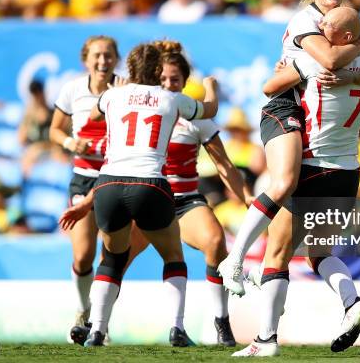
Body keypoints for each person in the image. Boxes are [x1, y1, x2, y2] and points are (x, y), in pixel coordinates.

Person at [60, 40, 251, 347]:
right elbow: (210, 107)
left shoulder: (118, 97)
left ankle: (220, 323)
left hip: (171, 198)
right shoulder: (174, 103)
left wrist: (247, 199)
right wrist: (212, 86)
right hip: (153, 190)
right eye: (164, 78)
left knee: (213, 242)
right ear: (156, 74)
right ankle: (121, 325)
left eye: (175, 79)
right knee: (151, 258)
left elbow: (224, 165)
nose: (168, 83)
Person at [218, 0, 360, 298]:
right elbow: (327, 60)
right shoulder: (306, 20)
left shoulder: (347, 22)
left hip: (314, 123)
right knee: (283, 184)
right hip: (285, 105)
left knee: (297, 247)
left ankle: (274, 332)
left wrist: (355, 58)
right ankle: (234, 259)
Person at [232, 7, 360, 357]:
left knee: (277, 253)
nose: (320, 25)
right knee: (319, 253)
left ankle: (266, 339)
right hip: (348, 172)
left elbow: (269, 88)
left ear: (343, 37)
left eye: (328, 24)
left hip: (312, 166)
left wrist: (288, 70)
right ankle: (352, 301)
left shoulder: (318, 64)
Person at [48, 35, 148, 340]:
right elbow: (54, 129)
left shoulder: (127, 89)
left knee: (112, 255)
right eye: (97, 55)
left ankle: (98, 325)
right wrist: (69, 142)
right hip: (83, 177)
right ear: (85, 59)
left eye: (108, 55)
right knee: (82, 256)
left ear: (116, 58)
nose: (102, 61)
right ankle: (83, 312)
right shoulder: (72, 90)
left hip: (116, 177)